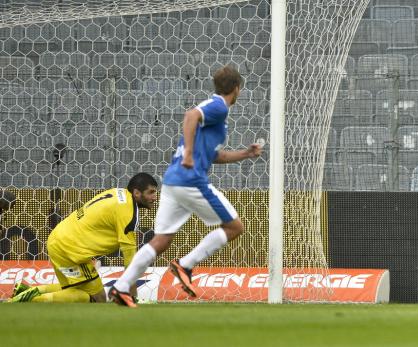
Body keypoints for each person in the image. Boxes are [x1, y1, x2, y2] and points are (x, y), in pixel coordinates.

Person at [109, 65, 262, 307]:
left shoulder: (216, 116)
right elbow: (191, 115)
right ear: (236, 89)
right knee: (234, 227)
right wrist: (189, 154)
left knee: (161, 240)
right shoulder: (219, 106)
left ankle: (120, 287)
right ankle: (186, 264)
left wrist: (245, 153)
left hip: (173, 181)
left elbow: (215, 156)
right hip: (191, 180)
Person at [8, 173, 158, 303]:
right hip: (71, 250)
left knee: (76, 288)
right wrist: (133, 297)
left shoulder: (117, 192)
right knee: (98, 298)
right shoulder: (128, 213)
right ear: (137, 193)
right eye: (151, 192)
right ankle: (31, 300)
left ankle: (26, 290)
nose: (154, 197)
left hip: (58, 240)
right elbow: (130, 263)